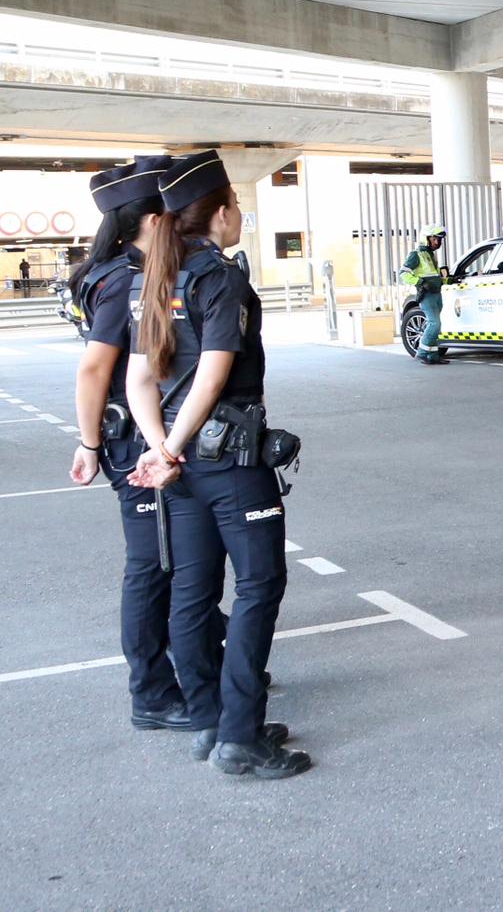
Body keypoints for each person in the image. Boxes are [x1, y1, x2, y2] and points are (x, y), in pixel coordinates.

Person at [125, 149, 305, 779]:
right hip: (227, 461)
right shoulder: (220, 278)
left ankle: (209, 722)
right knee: (259, 587)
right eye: (236, 206)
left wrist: (158, 447)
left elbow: (139, 380)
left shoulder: (157, 278)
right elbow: (213, 373)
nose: (239, 218)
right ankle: (240, 735)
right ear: (223, 212)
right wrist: (172, 446)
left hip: (180, 471)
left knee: (192, 591)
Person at [66, 155, 207, 732]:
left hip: (142, 436)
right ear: (154, 219)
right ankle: (151, 692)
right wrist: (90, 444)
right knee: (152, 565)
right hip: (135, 443)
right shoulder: (123, 279)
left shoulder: (120, 270)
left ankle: (201, 659)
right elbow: (95, 370)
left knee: (181, 558)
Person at [400, 224, 447, 364]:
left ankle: (432, 356)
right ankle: (422, 352)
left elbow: (434, 275)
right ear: (426, 239)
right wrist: (420, 282)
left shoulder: (430, 255)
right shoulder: (416, 254)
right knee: (434, 324)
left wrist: (446, 280)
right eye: (434, 239)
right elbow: (403, 273)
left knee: (435, 324)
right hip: (427, 295)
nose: (437, 242)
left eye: (439, 240)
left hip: (436, 293)